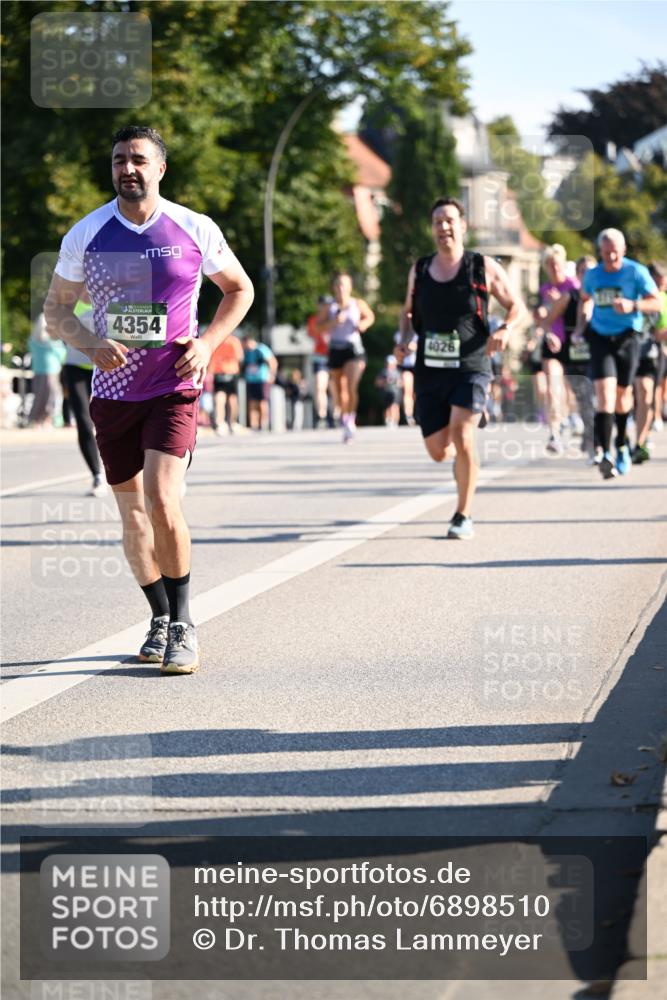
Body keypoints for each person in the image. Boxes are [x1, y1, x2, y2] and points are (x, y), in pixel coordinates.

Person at [45, 125, 254, 674]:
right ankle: (158, 617)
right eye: (119, 160)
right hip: (113, 392)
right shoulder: (87, 233)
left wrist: (208, 344)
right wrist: (90, 343)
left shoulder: (193, 227)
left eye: (138, 159)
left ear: (161, 168)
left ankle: (184, 624)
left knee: (163, 500)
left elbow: (240, 288)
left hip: (173, 383)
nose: (127, 169)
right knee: (133, 515)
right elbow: (56, 310)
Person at [397, 197, 525, 539]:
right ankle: (460, 451)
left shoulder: (481, 267)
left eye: (450, 220)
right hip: (429, 369)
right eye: (437, 221)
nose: (444, 227)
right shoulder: (421, 269)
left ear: (463, 225)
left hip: (472, 364)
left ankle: (462, 514)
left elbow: (516, 306)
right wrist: (403, 338)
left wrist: (505, 329)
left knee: (463, 436)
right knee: (440, 452)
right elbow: (408, 312)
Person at [574, 228, 660, 480]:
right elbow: (584, 299)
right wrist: (580, 327)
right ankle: (604, 451)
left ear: (623, 250)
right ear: (600, 251)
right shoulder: (593, 275)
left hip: (627, 337)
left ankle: (622, 445)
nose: (611, 257)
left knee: (623, 397)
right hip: (600, 337)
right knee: (604, 395)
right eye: (606, 252)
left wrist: (633, 305)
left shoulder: (636, 272)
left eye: (615, 252)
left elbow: (656, 302)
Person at [315, 272, 374, 443]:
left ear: (350, 287)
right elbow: (317, 327)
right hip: (335, 349)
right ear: (334, 288)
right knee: (339, 391)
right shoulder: (329, 307)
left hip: (353, 349)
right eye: (338, 285)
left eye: (344, 285)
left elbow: (370, 316)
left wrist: (363, 324)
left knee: (350, 386)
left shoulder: (358, 304)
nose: (341, 288)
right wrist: (332, 323)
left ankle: (350, 420)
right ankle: (344, 415)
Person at [534, 245, 579, 455]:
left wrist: (558, 303)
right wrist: (547, 328)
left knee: (571, 389)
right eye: (550, 265)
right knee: (552, 385)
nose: (554, 268)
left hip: (573, 343)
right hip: (552, 342)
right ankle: (554, 433)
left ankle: (573, 417)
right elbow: (540, 316)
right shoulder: (543, 289)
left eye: (557, 264)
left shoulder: (573, 285)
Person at [61, 298, 108, 496]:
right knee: (83, 419)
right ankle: (97, 475)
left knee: (110, 421)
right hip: (75, 368)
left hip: (106, 366)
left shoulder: (108, 299)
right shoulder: (69, 303)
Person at [632, 262, 667, 463]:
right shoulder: (630, 293)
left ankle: (640, 442)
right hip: (625, 350)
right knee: (627, 397)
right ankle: (623, 438)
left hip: (650, 352)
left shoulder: (661, 299)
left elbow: (660, 330)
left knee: (647, 393)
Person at [27, 312, 66, 428]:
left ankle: (36, 420)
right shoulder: (53, 341)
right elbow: (62, 355)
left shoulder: (33, 341)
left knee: (39, 396)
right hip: (52, 371)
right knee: (52, 396)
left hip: (38, 371)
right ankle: (49, 419)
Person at [207, 331, 244, 435]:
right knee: (232, 399)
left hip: (218, 371)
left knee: (220, 397)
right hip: (231, 371)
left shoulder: (216, 341)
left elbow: (211, 357)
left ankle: (220, 422)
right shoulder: (234, 341)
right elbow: (239, 356)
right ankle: (231, 422)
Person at [307, 295, 333, 428]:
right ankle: (321, 416)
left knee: (335, 389)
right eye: (322, 305)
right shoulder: (313, 320)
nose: (324, 307)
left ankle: (337, 416)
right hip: (320, 357)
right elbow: (313, 335)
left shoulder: (335, 318)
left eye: (327, 305)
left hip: (334, 356)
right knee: (319, 386)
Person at [241, 334, 277, 430]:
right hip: (250, 380)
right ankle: (254, 424)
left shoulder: (261, 349)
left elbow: (272, 362)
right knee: (252, 402)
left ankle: (263, 424)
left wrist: (271, 375)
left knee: (262, 402)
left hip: (262, 379)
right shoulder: (247, 352)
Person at [393, 329, 417, 425]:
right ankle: (409, 415)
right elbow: (396, 351)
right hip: (406, 366)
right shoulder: (399, 334)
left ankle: (419, 413)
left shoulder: (421, 330)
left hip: (420, 366)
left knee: (418, 392)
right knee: (408, 391)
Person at [375, 354, 402, 427]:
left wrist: (394, 382)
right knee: (387, 407)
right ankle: (388, 421)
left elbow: (401, 383)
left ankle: (395, 421)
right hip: (385, 392)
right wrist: (385, 381)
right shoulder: (382, 372)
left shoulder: (398, 372)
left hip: (396, 392)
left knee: (394, 406)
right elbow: (377, 383)